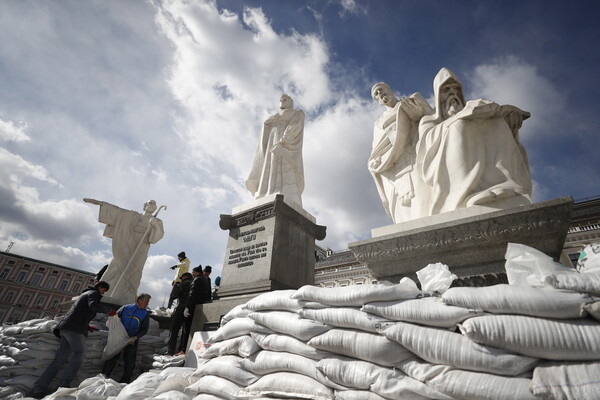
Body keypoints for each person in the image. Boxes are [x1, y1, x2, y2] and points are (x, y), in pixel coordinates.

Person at [416, 67, 532, 216]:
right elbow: (427, 144)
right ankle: (464, 195)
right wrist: (457, 118)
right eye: (446, 90)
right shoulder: (430, 120)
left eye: (454, 88)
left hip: (473, 137)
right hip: (441, 161)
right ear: (438, 96)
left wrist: (510, 120)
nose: (452, 93)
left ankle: (503, 184)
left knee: (496, 122)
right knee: (460, 126)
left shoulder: (473, 113)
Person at [31, 281, 113, 398]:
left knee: (59, 360)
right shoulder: (94, 293)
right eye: (104, 290)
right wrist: (109, 311)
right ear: (100, 287)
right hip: (74, 329)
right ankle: (63, 384)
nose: (103, 293)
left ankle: (39, 387)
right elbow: (93, 306)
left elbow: (79, 312)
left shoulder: (84, 294)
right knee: (80, 353)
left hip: (66, 327)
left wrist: (87, 325)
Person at [369, 82, 433, 223]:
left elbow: (433, 118)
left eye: (381, 90)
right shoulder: (379, 123)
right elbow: (377, 148)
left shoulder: (410, 102)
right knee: (403, 207)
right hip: (393, 164)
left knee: (423, 193)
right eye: (376, 95)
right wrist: (375, 161)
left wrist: (418, 114)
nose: (380, 95)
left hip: (416, 152)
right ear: (378, 102)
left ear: (390, 90)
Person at [84, 198, 164, 302]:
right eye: (150, 203)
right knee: (115, 265)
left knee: (135, 271)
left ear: (155, 208)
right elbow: (119, 212)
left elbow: (156, 237)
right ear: (145, 205)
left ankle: (127, 296)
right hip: (127, 244)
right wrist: (102, 204)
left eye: (154, 204)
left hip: (141, 248)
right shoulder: (133, 215)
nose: (152, 205)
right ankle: (100, 291)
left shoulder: (157, 221)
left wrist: (155, 225)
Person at [246, 94, 305, 207]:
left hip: (284, 144)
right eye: (281, 100)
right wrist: (267, 123)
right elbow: (266, 130)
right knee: (269, 165)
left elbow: (296, 126)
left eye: (285, 100)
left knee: (284, 166)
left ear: (290, 101)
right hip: (272, 142)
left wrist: (284, 140)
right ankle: (265, 192)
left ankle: (288, 194)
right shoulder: (275, 116)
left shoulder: (297, 113)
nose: (282, 102)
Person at [101, 293, 151, 383]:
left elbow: (144, 330)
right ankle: (103, 378)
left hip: (132, 340)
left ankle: (125, 382)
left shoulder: (145, 314)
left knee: (130, 362)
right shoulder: (126, 308)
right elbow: (115, 317)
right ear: (139, 300)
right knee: (112, 357)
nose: (147, 304)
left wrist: (136, 337)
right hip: (119, 338)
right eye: (146, 302)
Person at [182, 266, 212, 352]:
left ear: (197, 272)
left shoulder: (197, 280)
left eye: (193, 272)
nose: (192, 274)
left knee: (187, 329)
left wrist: (187, 307)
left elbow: (192, 294)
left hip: (193, 306)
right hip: (200, 306)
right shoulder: (205, 280)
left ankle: (184, 349)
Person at [167, 272, 193, 355]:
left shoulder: (184, 283)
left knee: (174, 329)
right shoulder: (194, 283)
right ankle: (181, 350)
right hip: (190, 309)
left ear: (184, 277)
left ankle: (170, 351)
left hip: (181, 308)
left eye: (182, 278)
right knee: (185, 332)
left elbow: (174, 295)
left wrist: (176, 285)